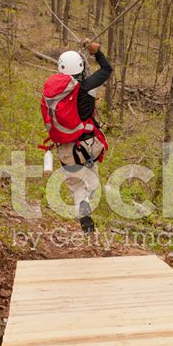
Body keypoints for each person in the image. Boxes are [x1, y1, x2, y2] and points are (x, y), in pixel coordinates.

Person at [55, 40, 112, 233]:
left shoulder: (54, 92)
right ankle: (86, 201)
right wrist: (96, 53)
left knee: (77, 185)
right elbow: (107, 69)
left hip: (65, 148)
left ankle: (82, 205)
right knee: (92, 182)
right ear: (80, 67)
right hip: (87, 145)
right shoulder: (88, 85)